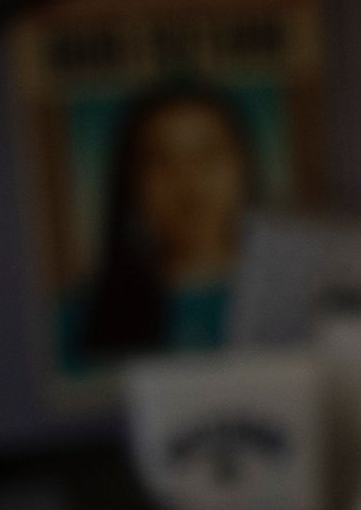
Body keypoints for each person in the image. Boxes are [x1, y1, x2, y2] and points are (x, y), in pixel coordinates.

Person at [73, 80, 256, 361]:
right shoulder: (82, 318)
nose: (188, 182)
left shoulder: (289, 301)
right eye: (161, 161)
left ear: (243, 168)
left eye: (207, 155)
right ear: (131, 183)